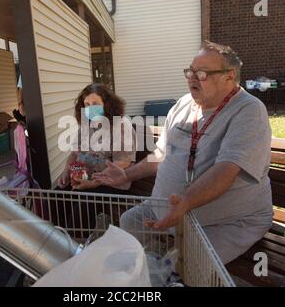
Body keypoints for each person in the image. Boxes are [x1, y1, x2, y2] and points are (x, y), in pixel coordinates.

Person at [94, 41, 273, 264]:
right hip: (169, 208)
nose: (192, 78)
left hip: (227, 221)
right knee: (129, 221)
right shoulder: (184, 104)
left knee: (191, 262)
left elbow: (227, 170)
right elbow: (161, 153)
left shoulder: (249, 110)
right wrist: (126, 175)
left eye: (202, 73)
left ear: (229, 76)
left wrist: (185, 202)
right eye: (190, 71)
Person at [57, 83, 136, 194]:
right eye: (87, 104)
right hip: (84, 177)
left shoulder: (122, 125)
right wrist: (66, 171)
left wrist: (94, 182)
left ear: (107, 104)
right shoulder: (86, 124)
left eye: (95, 104)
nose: (90, 108)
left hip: (111, 184)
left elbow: (122, 162)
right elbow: (75, 153)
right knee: (55, 199)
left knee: (80, 208)